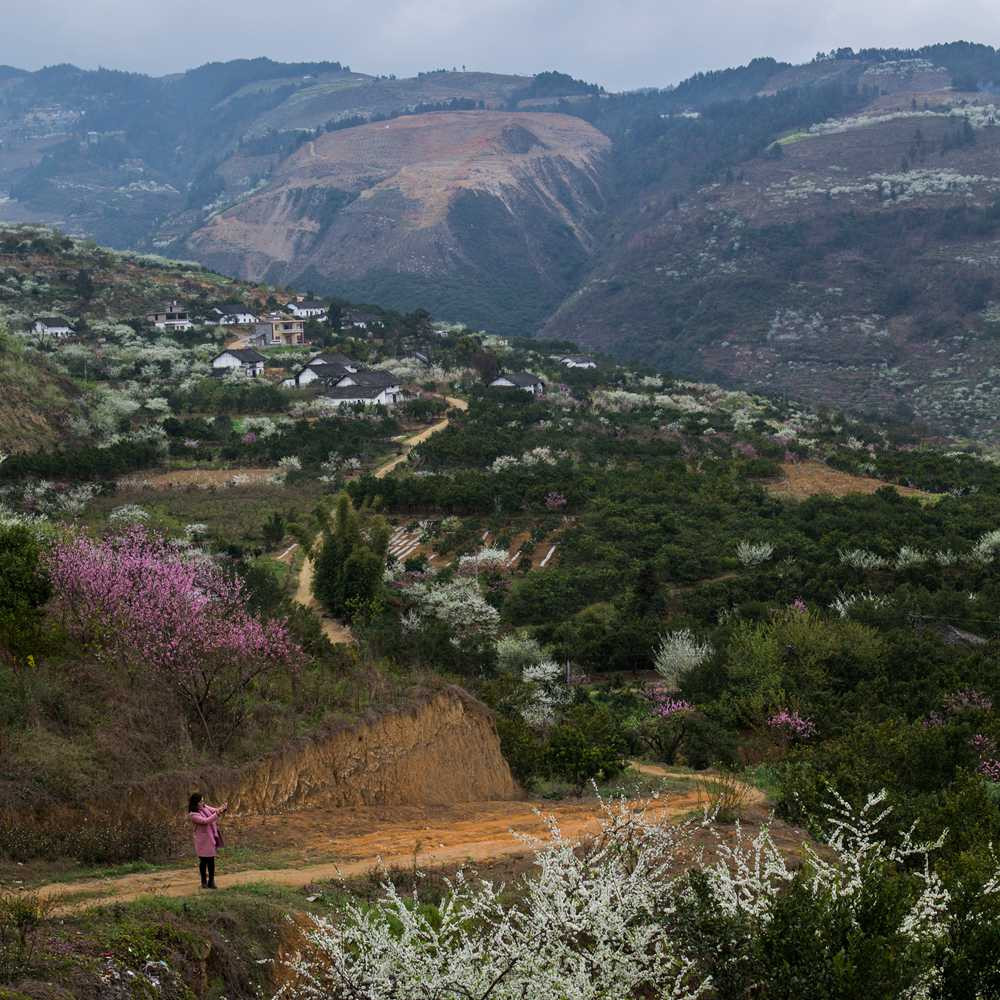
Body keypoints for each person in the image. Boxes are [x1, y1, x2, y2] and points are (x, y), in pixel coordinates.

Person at [187, 792, 228, 889]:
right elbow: (205, 821)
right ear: (195, 802)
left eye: (203, 800)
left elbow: (215, 810)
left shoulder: (204, 807)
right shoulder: (193, 815)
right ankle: (203, 882)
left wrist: (222, 808)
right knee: (203, 861)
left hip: (210, 838)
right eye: (201, 801)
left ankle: (211, 881)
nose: (203, 802)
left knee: (211, 861)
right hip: (202, 841)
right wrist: (218, 813)